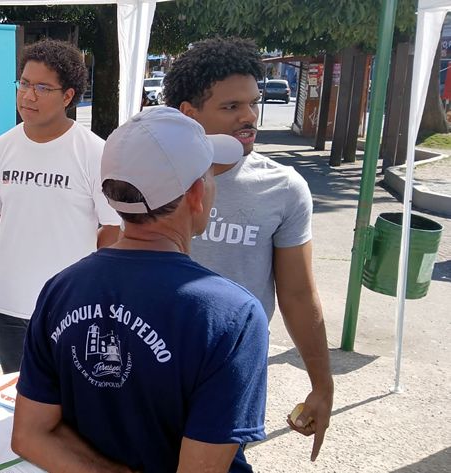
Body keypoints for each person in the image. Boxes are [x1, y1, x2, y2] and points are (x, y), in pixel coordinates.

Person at [11, 107, 268, 472]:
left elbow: (30, 435)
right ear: (196, 194)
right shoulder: (233, 316)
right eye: (209, 175)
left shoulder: (61, 289)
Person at [164, 37, 333, 461]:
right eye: (231, 107)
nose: (249, 117)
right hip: (152, 357)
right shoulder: (152, 173)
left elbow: (297, 293)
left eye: (253, 103)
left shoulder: (284, 188)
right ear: (188, 113)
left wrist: (322, 383)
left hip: (233, 369)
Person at [0, 39, 121, 374]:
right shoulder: (1, 149)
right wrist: (27, 239)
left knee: (71, 408)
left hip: (72, 307)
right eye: (24, 83)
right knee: (14, 404)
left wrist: (78, 266)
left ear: (68, 96)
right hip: (8, 305)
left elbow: (112, 228)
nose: (28, 96)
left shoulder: (94, 152)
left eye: (42, 87)